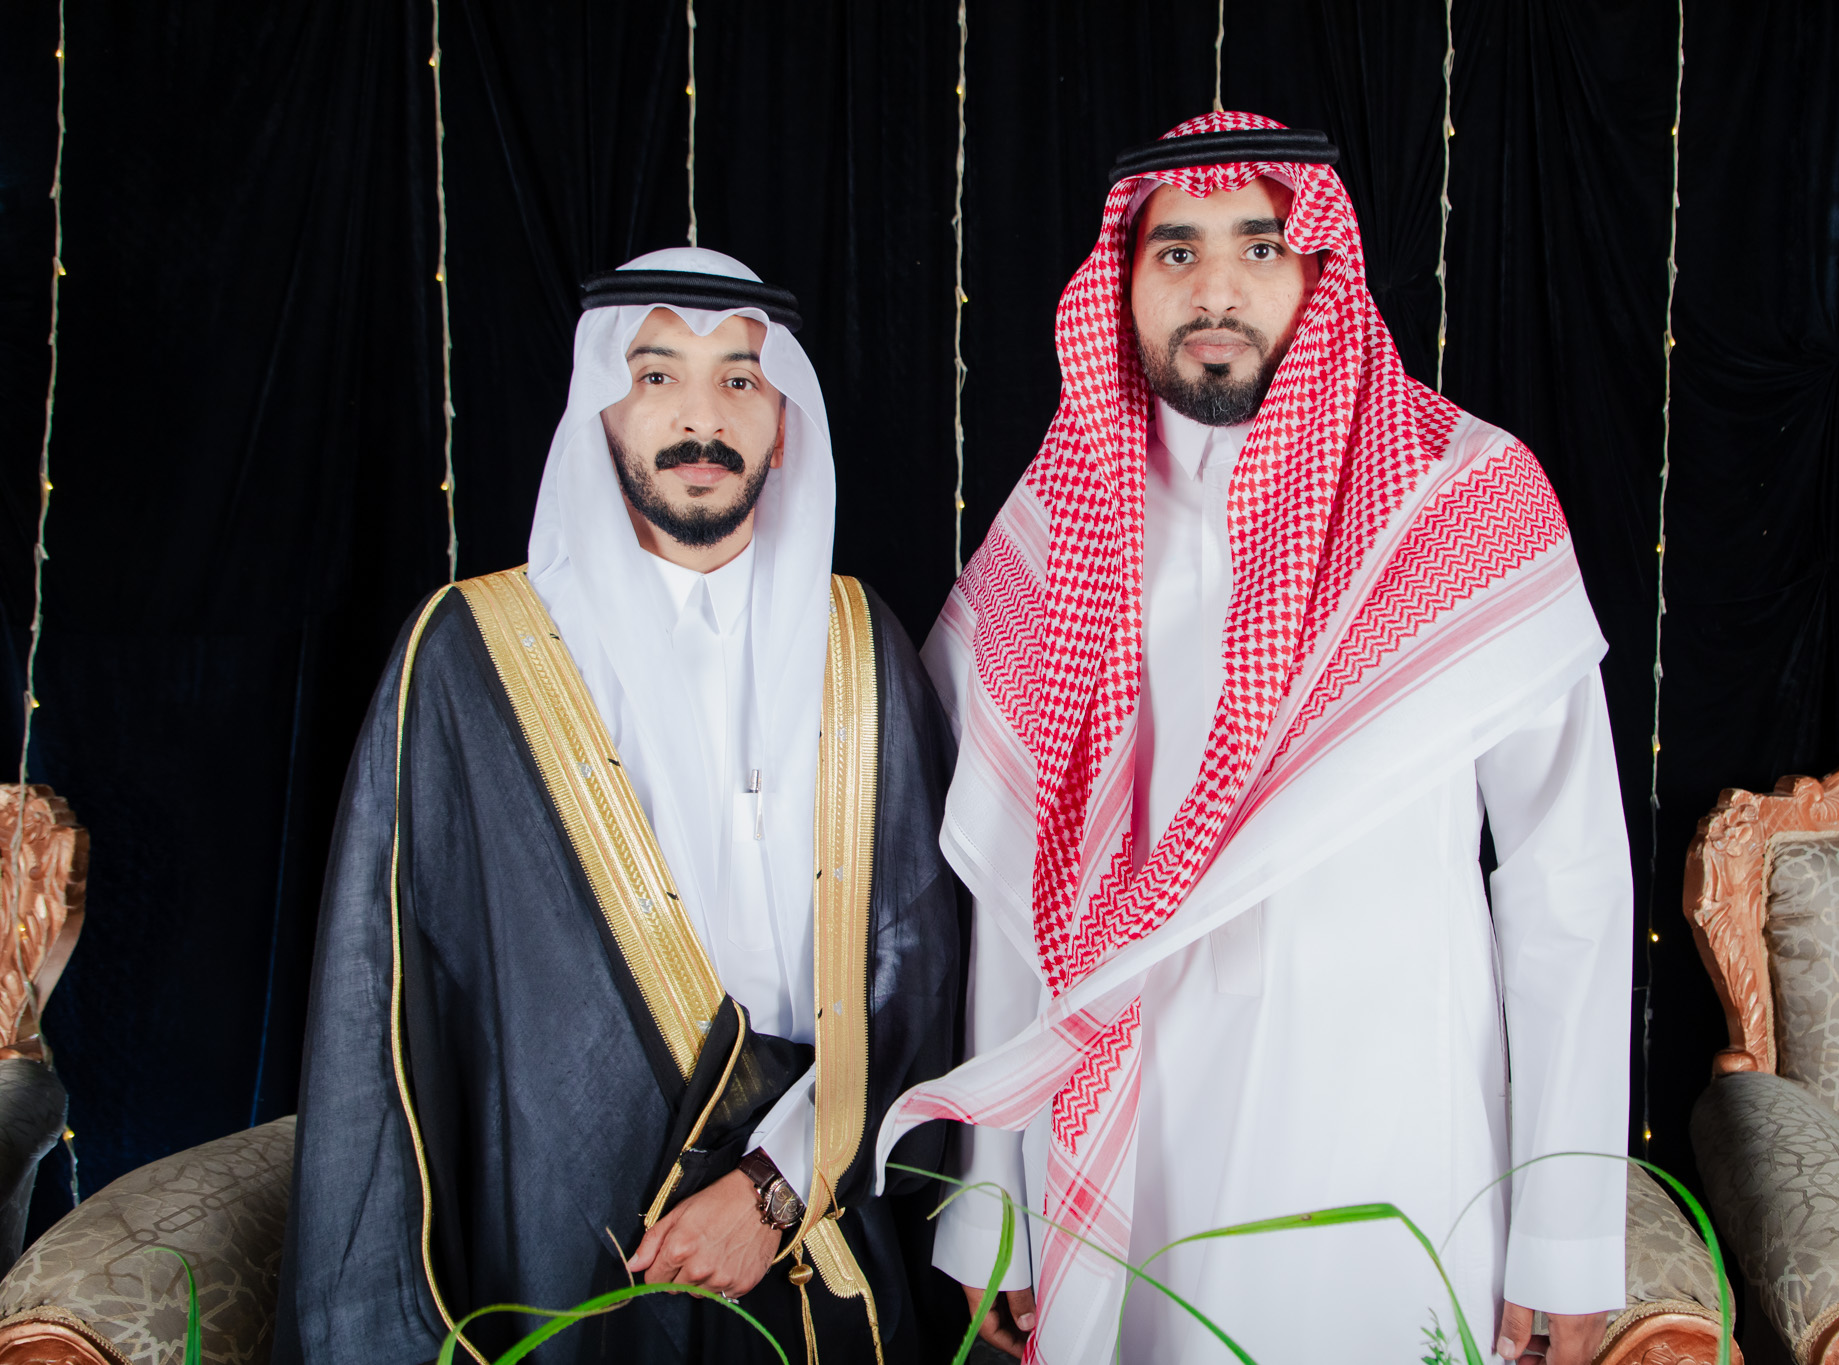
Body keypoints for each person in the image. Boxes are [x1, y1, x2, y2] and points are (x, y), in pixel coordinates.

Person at [872, 113, 1632, 1365]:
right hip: (1125, 1142)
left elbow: (1568, 890)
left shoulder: (1464, 498)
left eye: (1259, 246)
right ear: (1122, 281)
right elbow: (1015, 893)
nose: (1214, 289)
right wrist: (991, 1207)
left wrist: (1562, 1235)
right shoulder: (1055, 527)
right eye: (1175, 251)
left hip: (1392, 1136)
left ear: (1320, 270)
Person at [278, 248, 964, 1365]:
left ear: (784, 420)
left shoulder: (857, 644)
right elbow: (386, 1001)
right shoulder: (469, 656)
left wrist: (776, 1186)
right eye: (656, 376)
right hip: (564, 1250)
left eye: (739, 378)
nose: (701, 417)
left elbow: (916, 969)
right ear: (601, 408)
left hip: (815, 1233)